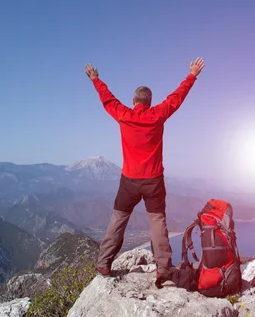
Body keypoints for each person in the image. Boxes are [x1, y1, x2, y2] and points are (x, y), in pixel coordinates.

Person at [85, 57, 205, 288]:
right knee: (158, 223)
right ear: (149, 102)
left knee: (118, 220)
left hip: (129, 180)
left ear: (133, 101)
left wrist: (95, 79)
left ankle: (103, 263)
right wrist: (192, 75)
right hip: (153, 181)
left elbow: (107, 99)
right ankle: (163, 271)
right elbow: (176, 97)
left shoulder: (123, 115)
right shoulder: (157, 115)